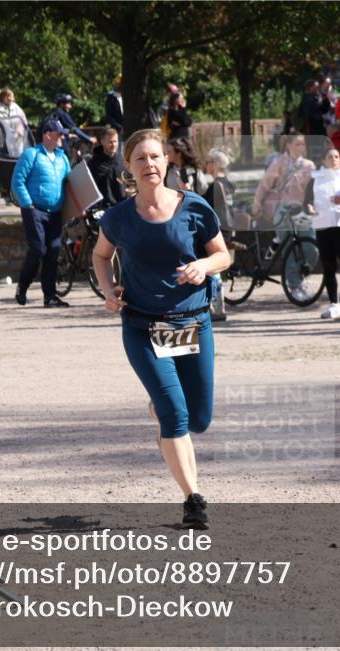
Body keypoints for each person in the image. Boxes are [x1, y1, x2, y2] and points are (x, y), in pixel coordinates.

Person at [92, 128, 230, 529]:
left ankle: (162, 408)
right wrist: (108, 290)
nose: (149, 164)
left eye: (155, 157)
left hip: (193, 324)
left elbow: (222, 255)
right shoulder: (118, 217)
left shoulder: (195, 208)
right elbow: (102, 256)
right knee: (175, 416)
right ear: (128, 168)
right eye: (140, 159)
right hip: (142, 327)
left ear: (166, 162)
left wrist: (203, 266)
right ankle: (193, 499)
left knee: (198, 419)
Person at [10, 119, 72, 308]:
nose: (63, 137)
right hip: (34, 210)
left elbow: (71, 184)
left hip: (55, 212)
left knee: (53, 252)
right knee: (38, 250)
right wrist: (28, 204)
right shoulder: (32, 154)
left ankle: (50, 296)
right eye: (59, 133)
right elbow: (17, 181)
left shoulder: (63, 158)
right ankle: (23, 286)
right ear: (47, 135)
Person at [251, 133, 315, 301]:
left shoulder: (309, 165)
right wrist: (257, 205)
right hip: (283, 209)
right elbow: (264, 184)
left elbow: (314, 189)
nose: (302, 147)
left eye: (303, 144)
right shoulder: (279, 163)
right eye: (298, 144)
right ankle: (294, 284)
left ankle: (300, 276)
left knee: (310, 245)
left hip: (301, 209)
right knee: (289, 248)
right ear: (288, 145)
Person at [304, 147, 340, 319]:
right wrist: (309, 207)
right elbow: (307, 201)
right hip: (323, 225)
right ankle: (334, 304)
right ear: (324, 161)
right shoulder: (315, 179)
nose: (334, 159)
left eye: (337, 156)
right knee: (328, 265)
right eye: (330, 157)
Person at [203, 149, 236, 322]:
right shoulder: (228, 183)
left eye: (208, 162)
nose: (206, 165)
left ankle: (217, 307)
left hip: (217, 230)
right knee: (216, 269)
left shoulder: (216, 185)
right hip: (228, 228)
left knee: (213, 268)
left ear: (216, 164)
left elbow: (209, 210)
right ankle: (217, 305)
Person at [87, 128, 127, 208]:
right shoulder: (94, 163)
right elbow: (89, 188)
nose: (113, 145)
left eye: (115, 141)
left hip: (122, 205)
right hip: (103, 208)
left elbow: (127, 180)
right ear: (102, 142)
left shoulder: (121, 159)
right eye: (110, 142)